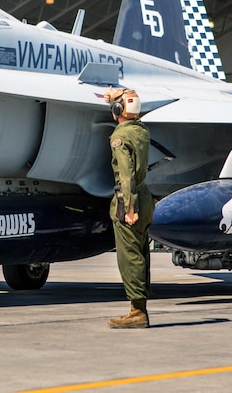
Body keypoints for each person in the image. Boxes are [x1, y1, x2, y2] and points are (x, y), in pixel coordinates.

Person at [104, 87, 154, 329]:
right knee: (142, 253)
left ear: (118, 110)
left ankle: (137, 312)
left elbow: (125, 175)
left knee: (129, 255)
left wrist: (128, 207)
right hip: (145, 195)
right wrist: (115, 97)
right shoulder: (141, 130)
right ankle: (140, 307)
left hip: (130, 198)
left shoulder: (119, 137)